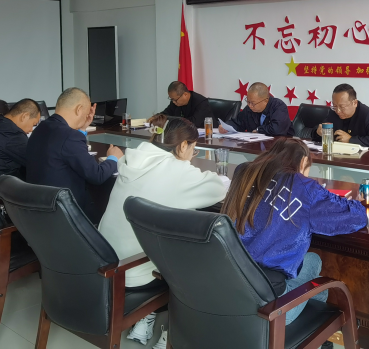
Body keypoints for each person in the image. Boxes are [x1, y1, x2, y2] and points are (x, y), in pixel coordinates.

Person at [99, 117, 227, 347]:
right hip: (135, 273)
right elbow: (219, 188)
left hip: (104, 263)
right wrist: (223, 177)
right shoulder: (177, 171)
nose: (192, 155)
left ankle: (146, 317)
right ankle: (176, 332)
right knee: (200, 257)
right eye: (194, 149)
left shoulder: (131, 158)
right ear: (183, 145)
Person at [222, 138, 366, 325]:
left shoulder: (244, 172)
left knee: (310, 270)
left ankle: (319, 329)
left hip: (228, 288)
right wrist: (359, 202)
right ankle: (318, 329)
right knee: (313, 261)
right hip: (271, 309)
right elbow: (356, 217)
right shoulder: (304, 188)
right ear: (304, 161)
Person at [27, 87, 122, 223]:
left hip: (41, 207)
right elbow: (97, 175)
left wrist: (82, 128)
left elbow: (67, 149)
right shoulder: (69, 136)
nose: (88, 116)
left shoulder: (41, 128)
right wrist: (113, 158)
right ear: (79, 109)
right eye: (87, 112)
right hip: (66, 213)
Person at [311, 83, 369, 148]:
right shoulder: (333, 112)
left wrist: (350, 139)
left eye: (342, 107)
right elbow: (317, 132)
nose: (338, 111)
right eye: (335, 106)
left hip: (362, 158)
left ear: (355, 103)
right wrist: (318, 132)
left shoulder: (367, 114)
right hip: (337, 156)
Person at [219, 82, 294, 137]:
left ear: (265, 101)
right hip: (256, 146)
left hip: (279, 147)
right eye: (248, 102)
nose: (250, 106)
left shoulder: (278, 106)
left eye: (253, 103)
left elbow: (277, 129)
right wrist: (226, 126)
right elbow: (238, 122)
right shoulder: (249, 108)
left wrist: (258, 130)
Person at [148, 80, 215, 128]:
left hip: (208, 136)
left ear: (185, 94)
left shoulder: (201, 102)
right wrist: (155, 117)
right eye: (171, 99)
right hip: (185, 134)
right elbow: (166, 113)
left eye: (175, 99)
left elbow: (194, 123)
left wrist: (172, 120)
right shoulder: (175, 102)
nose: (173, 102)